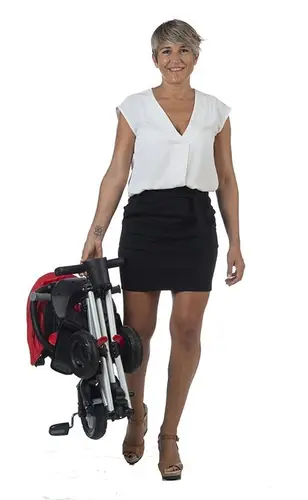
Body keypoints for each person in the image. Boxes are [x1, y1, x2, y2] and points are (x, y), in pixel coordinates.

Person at [80, 19, 244, 480]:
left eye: (184, 51)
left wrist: (235, 240)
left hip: (195, 224)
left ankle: (169, 434)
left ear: (196, 57)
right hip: (145, 224)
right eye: (167, 51)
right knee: (138, 333)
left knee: (187, 331)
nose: (176, 60)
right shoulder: (134, 107)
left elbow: (226, 178)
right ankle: (136, 415)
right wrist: (96, 231)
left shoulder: (216, 111)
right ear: (155, 59)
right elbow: (117, 171)